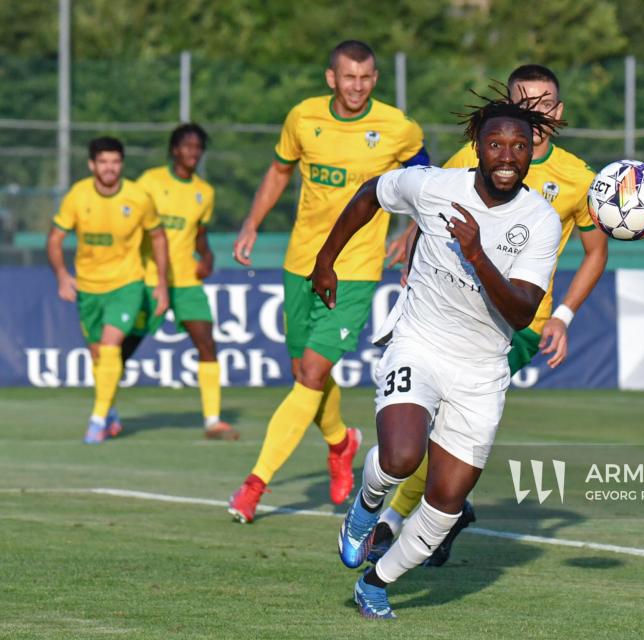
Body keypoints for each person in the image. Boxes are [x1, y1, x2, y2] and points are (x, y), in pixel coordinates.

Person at [314, 90, 564, 618]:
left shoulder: (540, 221)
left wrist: (475, 254)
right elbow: (371, 193)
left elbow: (521, 312)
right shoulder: (434, 187)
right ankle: (364, 509)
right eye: (495, 143)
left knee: (447, 501)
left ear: (530, 154)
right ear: (477, 146)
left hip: (481, 370)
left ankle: (376, 583)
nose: (506, 155)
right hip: (420, 343)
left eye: (518, 146)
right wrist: (326, 258)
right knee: (402, 456)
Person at [370, 64, 609, 566]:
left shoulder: (577, 178)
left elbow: (595, 252)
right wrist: (410, 245)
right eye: (524, 99)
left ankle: (397, 519)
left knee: (439, 420)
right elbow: (437, 197)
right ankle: (441, 510)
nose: (534, 110)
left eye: (544, 102)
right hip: (447, 308)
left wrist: (563, 315)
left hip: (516, 322)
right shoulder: (486, 147)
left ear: (559, 111)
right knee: (427, 419)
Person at [227, 40, 429, 522]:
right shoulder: (303, 118)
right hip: (301, 263)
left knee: (314, 373)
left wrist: (410, 231)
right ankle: (342, 442)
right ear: (331, 79)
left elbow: (427, 183)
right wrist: (253, 222)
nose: (357, 86)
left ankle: (255, 485)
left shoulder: (398, 128)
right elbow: (279, 171)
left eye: (366, 77)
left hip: (356, 268)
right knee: (305, 375)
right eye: (348, 77)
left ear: (375, 79)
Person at [46, 136, 170, 444]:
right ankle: (110, 409)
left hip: (127, 284)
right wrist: (62, 275)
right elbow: (54, 239)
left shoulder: (138, 197)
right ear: (92, 165)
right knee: (99, 354)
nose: (110, 168)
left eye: (115, 162)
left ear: (122, 164)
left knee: (112, 346)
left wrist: (163, 283)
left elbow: (158, 237)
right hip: (88, 288)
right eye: (103, 162)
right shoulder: (77, 196)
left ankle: (97, 420)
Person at [120, 123, 238, 440]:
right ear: (174, 149)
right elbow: (131, 223)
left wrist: (208, 256)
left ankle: (213, 421)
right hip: (148, 278)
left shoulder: (204, 192)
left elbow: (200, 234)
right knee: (126, 345)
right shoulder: (150, 182)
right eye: (187, 146)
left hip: (186, 280)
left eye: (198, 147)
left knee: (207, 343)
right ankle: (106, 411)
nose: (193, 152)